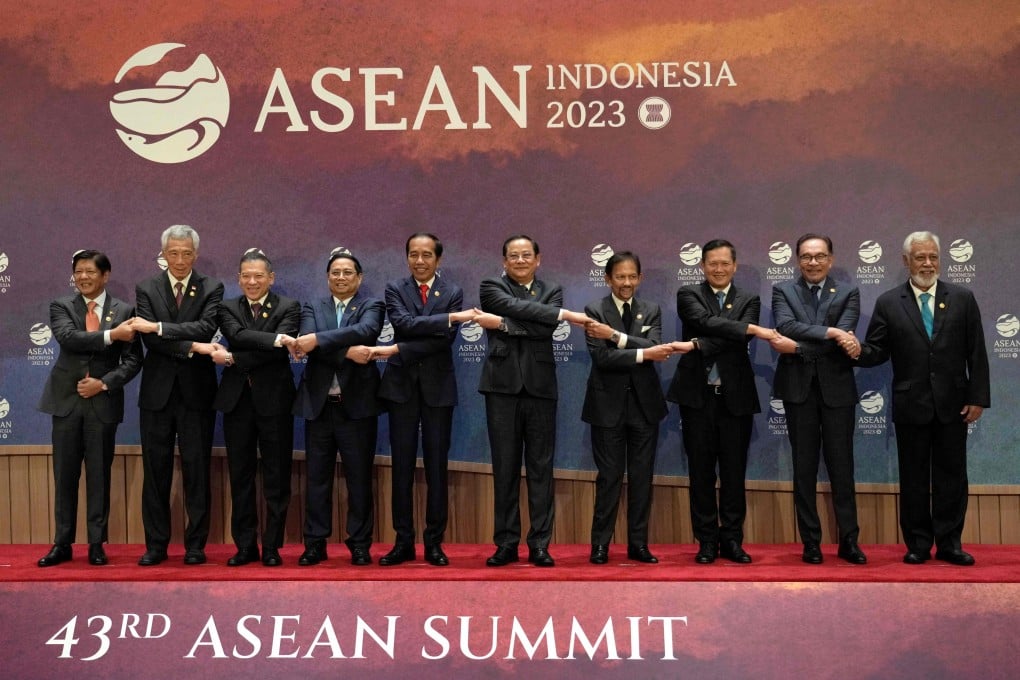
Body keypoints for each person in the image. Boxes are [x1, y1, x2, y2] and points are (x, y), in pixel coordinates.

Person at [855, 231, 989, 565]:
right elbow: (876, 350)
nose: (927, 263)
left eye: (932, 257)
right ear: (906, 261)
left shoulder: (962, 298)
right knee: (913, 478)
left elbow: (977, 352)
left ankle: (949, 544)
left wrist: (978, 397)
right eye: (920, 257)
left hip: (954, 404)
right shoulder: (889, 302)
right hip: (910, 405)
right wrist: (854, 349)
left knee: (952, 477)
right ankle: (917, 544)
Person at [475, 235, 592, 567]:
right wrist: (547, 316)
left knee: (541, 469)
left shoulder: (552, 290)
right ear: (504, 261)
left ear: (538, 259)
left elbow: (544, 331)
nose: (521, 260)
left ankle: (540, 544)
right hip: (501, 388)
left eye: (527, 255)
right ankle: (506, 543)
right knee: (505, 468)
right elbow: (521, 312)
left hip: (540, 388)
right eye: (514, 255)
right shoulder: (489, 287)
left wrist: (501, 325)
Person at [667, 239, 775, 565]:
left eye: (724, 263)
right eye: (712, 263)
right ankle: (706, 541)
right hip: (697, 398)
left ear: (734, 266)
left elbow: (737, 337)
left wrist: (700, 344)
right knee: (700, 473)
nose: (718, 269)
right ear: (702, 266)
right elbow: (704, 322)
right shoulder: (688, 294)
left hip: (735, 398)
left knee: (733, 473)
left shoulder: (750, 299)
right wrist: (740, 330)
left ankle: (731, 540)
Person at [372, 233, 477, 567]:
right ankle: (403, 541)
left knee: (436, 467)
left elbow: (443, 340)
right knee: (401, 466)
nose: (420, 260)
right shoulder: (395, 288)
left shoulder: (453, 292)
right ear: (407, 258)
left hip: (437, 388)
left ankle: (434, 543)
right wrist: (445, 318)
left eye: (426, 255)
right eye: (413, 254)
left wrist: (405, 344)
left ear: (438, 259)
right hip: (401, 387)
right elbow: (402, 323)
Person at [582, 251, 692, 565]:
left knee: (642, 478)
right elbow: (602, 358)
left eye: (632, 277)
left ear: (640, 278)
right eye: (620, 277)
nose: (626, 283)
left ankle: (638, 545)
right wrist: (642, 351)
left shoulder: (651, 309)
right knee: (609, 477)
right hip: (607, 407)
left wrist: (615, 336)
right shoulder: (594, 310)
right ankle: (600, 545)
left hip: (645, 407)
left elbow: (657, 347)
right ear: (608, 279)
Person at [36, 250, 142, 567]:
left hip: (102, 404)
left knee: (99, 476)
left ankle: (97, 543)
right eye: (78, 271)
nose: (83, 277)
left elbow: (134, 360)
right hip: (66, 403)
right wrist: (112, 334)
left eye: (90, 272)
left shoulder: (125, 310)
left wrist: (104, 383)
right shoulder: (61, 306)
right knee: (65, 476)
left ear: (105, 275)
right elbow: (70, 339)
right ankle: (62, 544)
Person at [770, 234, 866, 564]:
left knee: (843, 469)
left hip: (837, 391)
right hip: (798, 391)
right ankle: (810, 542)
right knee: (804, 470)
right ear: (798, 260)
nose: (813, 262)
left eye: (820, 256)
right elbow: (785, 324)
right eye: (807, 257)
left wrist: (798, 347)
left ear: (831, 259)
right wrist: (833, 331)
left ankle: (849, 541)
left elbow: (831, 338)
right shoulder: (783, 290)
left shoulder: (849, 292)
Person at [131, 225, 224, 566]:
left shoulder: (212, 287)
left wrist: (158, 327)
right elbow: (150, 343)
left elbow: (205, 328)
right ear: (163, 254)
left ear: (195, 255)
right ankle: (155, 546)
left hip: (197, 393)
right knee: (155, 473)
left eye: (187, 253)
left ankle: (195, 545)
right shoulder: (146, 288)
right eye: (174, 253)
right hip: (156, 395)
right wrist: (191, 346)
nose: (180, 259)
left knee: (197, 470)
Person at [289, 249, 384, 566]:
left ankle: (359, 544)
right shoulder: (312, 306)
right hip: (319, 407)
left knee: (359, 480)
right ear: (327, 277)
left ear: (359, 278)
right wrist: (344, 352)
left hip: (356, 408)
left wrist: (319, 340)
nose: (340, 277)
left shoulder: (372, 305)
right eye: (335, 272)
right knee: (317, 479)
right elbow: (305, 342)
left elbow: (366, 332)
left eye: (347, 272)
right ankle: (315, 543)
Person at [211, 249, 301, 567]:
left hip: (275, 401)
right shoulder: (227, 307)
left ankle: (273, 546)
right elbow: (235, 335)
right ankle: (245, 545)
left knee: (277, 476)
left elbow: (270, 352)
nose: (252, 281)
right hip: (237, 402)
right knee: (241, 476)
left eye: (258, 276)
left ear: (271, 278)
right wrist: (276, 340)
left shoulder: (290, 306)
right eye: (246, 276)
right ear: (239, 278)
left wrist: (235, 357)